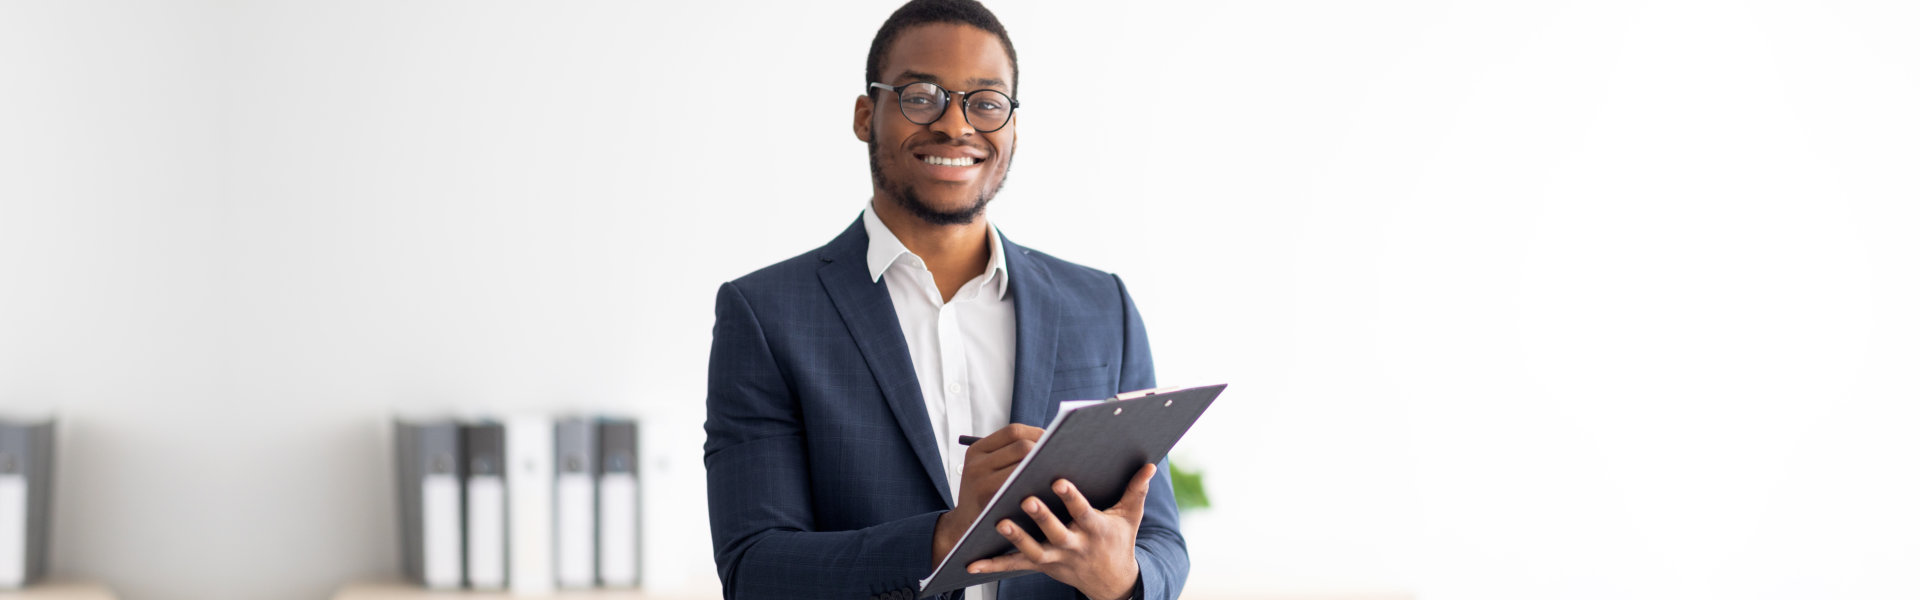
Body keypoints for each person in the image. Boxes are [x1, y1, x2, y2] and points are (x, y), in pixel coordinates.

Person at [703, 1, 1187, 599]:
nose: (956, 126)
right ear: (865, 115)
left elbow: (1160, 540)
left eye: (985, 103)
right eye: (920, 96)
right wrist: (946, 536)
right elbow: (755, 570)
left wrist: (1121, 579)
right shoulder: (767, 314)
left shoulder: (1100, 305)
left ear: (1012, 125)